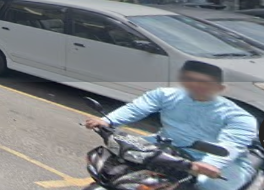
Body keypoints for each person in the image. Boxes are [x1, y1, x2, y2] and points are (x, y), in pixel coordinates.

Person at [84, 61, 259, 190]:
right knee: (120, 165)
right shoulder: (164, 94)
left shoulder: (239, 117)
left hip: (211, 161)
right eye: (191, 79)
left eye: (204, 82)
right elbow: (136, 108)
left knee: (207, 185)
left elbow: (231, 145)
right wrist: (107, 121)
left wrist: (209, 164)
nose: (196, 85)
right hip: (165, 148)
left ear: (220, 88)